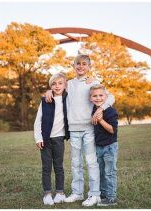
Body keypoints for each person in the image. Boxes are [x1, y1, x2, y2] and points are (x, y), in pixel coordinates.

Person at [45, 54, 114, 206]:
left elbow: (111, 97)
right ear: (73, 66)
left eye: (84, 64)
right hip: (73, 130)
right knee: (75, 163)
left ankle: (94, 194)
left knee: (91, 162)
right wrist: (49, 92)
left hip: (89, 129)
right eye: (78, 63)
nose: (81, 66)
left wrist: (100, 109)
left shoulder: (93, 82)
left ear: (89, 67)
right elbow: (57, 89)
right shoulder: (69, 84)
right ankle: (77, 192)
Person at [33, 73, 69, 205]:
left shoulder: (68, 98)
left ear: (65, 85)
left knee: (59, 166)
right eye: (54, 84)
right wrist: (38, 138)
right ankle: (47, 194)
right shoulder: (45, 100)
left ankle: (60, 193)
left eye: (60, 83)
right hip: (46, 139)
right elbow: (38, 121)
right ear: (50, 86)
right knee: (46, 167)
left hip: (59, 138)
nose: (57, 86)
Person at [90, 84, 119, 206]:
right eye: (95, 96)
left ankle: (111, 198)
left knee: (109, 172)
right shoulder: (93, 109)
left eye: (101, 95)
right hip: (99, 146)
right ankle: (103, 194)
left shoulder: (110, 111)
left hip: (109, 147)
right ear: (90, 98)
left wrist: (100, 120)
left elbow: (112, 130)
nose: (98, 98)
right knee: (101, 172)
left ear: (106, 97)